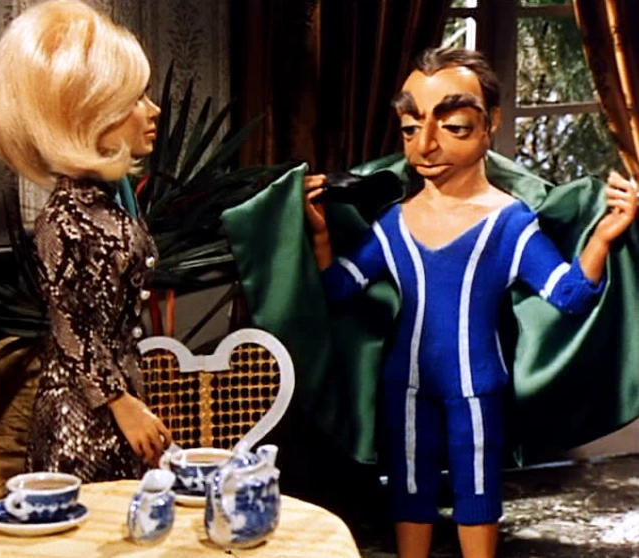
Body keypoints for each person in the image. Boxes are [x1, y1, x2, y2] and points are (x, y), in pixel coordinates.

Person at [221, 47, 638, 558]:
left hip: (478, 390)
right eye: (409, 128)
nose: (426, 144)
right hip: (404, 388)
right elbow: (340, 291)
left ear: (490, 125)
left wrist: (603, 238)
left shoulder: (509, 222)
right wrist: (322, 237)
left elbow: (569, 295)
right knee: (410, 494)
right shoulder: (394, 221)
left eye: (454, 126)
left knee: (477, 495)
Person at [0, 0, 171, 482]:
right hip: (82, 422)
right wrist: (121, 403)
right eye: (136, 99)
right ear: (96, 114)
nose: (153, 110)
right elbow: (71, 327)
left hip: (117, 406)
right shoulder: (65, 218)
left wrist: (130, 403)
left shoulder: (105, 204)